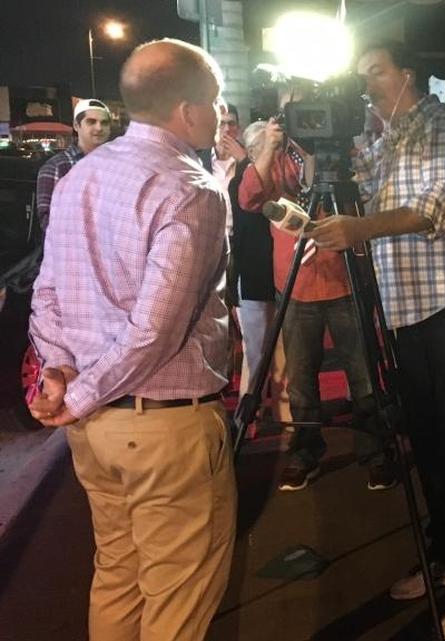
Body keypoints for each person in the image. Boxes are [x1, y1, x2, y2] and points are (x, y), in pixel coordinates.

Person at [26, 39, 235, 640]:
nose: (220, 115)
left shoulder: (80, 176)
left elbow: (47, 291)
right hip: (163, 424)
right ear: (189, 110)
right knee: (177, 597)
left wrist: (60, 374)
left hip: (94, 430)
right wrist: (77, 393)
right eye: (216, 102)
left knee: (117, 571)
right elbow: (156, 330)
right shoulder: (191, 189)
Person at [309, 41, 445, 639]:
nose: (367, 84)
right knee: (427, 443)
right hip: (403, 309)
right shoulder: (384, 138)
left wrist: (361, 227)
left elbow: (434, 207)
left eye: (377, 72)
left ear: (408, 74)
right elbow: (357, 197)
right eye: (361, 75)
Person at [236, 112, 396, 493]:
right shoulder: (278, 159)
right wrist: (270, 144)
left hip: (345, 281)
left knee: (364, 375)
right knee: (301, 380)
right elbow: (249, 198)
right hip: (295, 285)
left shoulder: (344, 155)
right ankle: (305, 452)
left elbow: (372, 196)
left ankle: (375, 450)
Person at [228, 121, 284, 417]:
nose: (274, 152)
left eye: (276, 145)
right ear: (251, 152)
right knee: (257, 351)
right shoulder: (240, 184)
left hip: (283, 272)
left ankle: (285, 415)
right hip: (253, 275)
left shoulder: (286, 179)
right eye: (266, 146)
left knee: (285, 352)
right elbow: (250, 206)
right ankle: (250, 412)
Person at [34, 98, 111, 230]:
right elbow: (48, 223)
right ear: (76, 125)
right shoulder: (56, 167)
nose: (99, 128)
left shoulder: (117, 165)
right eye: (91, 122)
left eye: (104, 123)